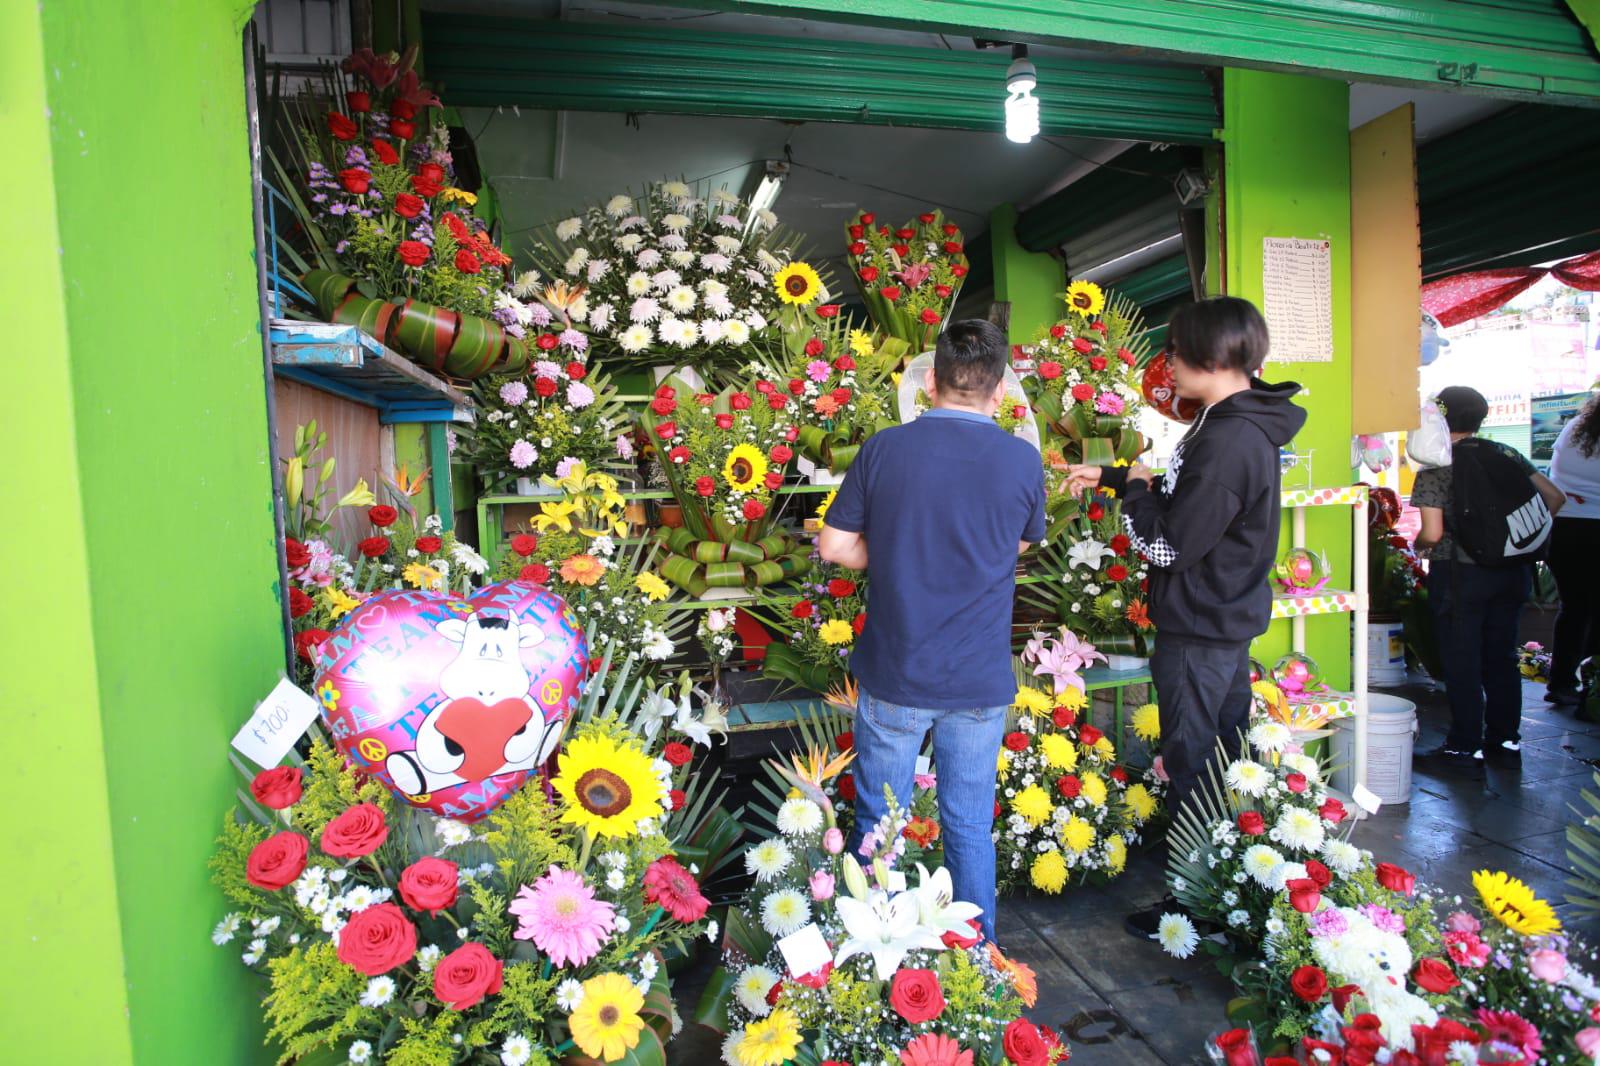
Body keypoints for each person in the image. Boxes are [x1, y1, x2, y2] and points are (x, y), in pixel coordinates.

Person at [1064, 296, 1305, 938]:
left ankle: (1194, 900)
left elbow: (1167, 545)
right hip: (1219, 617)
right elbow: (1185, 503)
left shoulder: (1228, 441)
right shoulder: (1232, 422)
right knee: (1225, 752)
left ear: (1210, 358)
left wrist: (1135, 497)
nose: (1167, 364)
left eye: (1173, 351)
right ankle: (1227, 881)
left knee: (1193, 754)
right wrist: (1122, 478)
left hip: (1199, 625)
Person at [819, 318, 1045, 944]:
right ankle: (979, 961)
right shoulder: (1021, 458)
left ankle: (873, 958)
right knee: (969, 825)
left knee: (880, 823)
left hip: (897, 673)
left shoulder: (885, 449)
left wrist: (891, 550)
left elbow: (834, 546)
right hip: (978, 680)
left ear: (931, 382)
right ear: (1000, 391)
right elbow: (1022, 542)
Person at [1411, 386, 1565, 772]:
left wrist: (1419, 547)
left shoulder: (1437, 465)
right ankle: (1504, 738)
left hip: (1461, 575)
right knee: (1501, 655)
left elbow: (1431, 532)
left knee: (1462, 658)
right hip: (1512, 572)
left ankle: (1465, 745)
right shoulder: (1505, 452)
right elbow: (1554, 497)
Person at [1544, 392, 1600, 706]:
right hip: (1594, 525)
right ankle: (1591, 684)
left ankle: (1561, 681)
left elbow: (1556, 473)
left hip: (1563, 528)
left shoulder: (1574, 428)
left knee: (1573, 608)